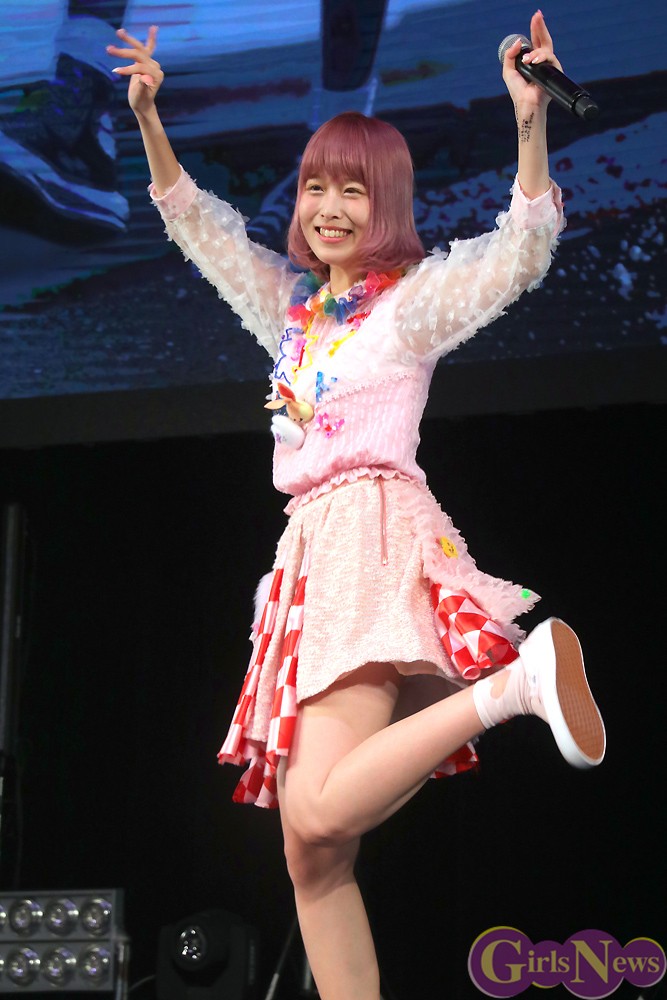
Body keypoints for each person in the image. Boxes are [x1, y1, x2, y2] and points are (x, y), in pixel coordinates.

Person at [108, 13, 606, 999]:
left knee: (319, 818)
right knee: (312, 857)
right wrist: (150, 121)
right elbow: (201, 230)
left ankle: (516, 687)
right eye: (316, 187)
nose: (330, 207)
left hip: (369, 540)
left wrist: (528, 120)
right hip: (311, 556)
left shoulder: (406, 307)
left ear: (385, 205)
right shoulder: (295, 313)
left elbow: (520, 251)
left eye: (354, 190)